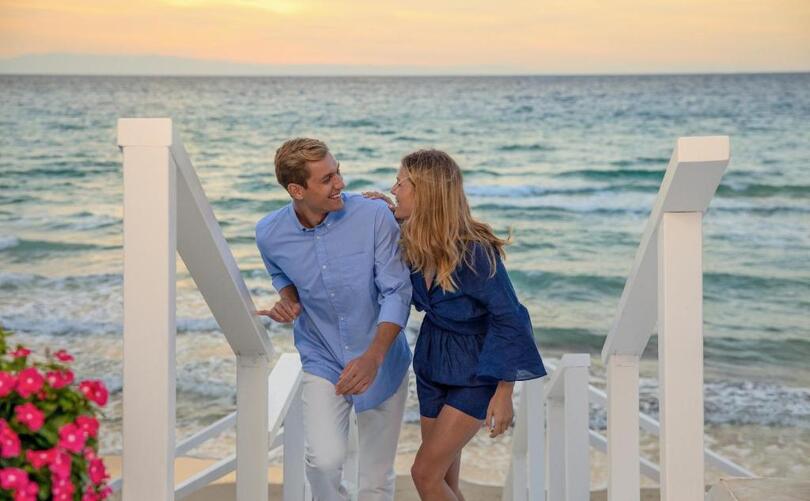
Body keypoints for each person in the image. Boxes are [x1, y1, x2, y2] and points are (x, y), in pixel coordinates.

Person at [365, 149, 546, 501]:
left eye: (401, 183)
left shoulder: (475, 251)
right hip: (432, 364)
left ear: (425, 192)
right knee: (444, 482)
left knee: (424, 474)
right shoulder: (414, 240)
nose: (393, 189)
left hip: (475, 372)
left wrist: (504, 392)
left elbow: (511, 317)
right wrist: (378, 213)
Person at [255, 138, 412, 501]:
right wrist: (288, 301)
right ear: (297, 190)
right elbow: (282, 276)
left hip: (382, 357)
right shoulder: (269, 233)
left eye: (337, 171)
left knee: (375, 479)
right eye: (327, 179)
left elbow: (397, 291)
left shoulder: (374, 216)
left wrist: (373, 357)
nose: (340, 182)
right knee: (323, 461)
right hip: (322, 355)